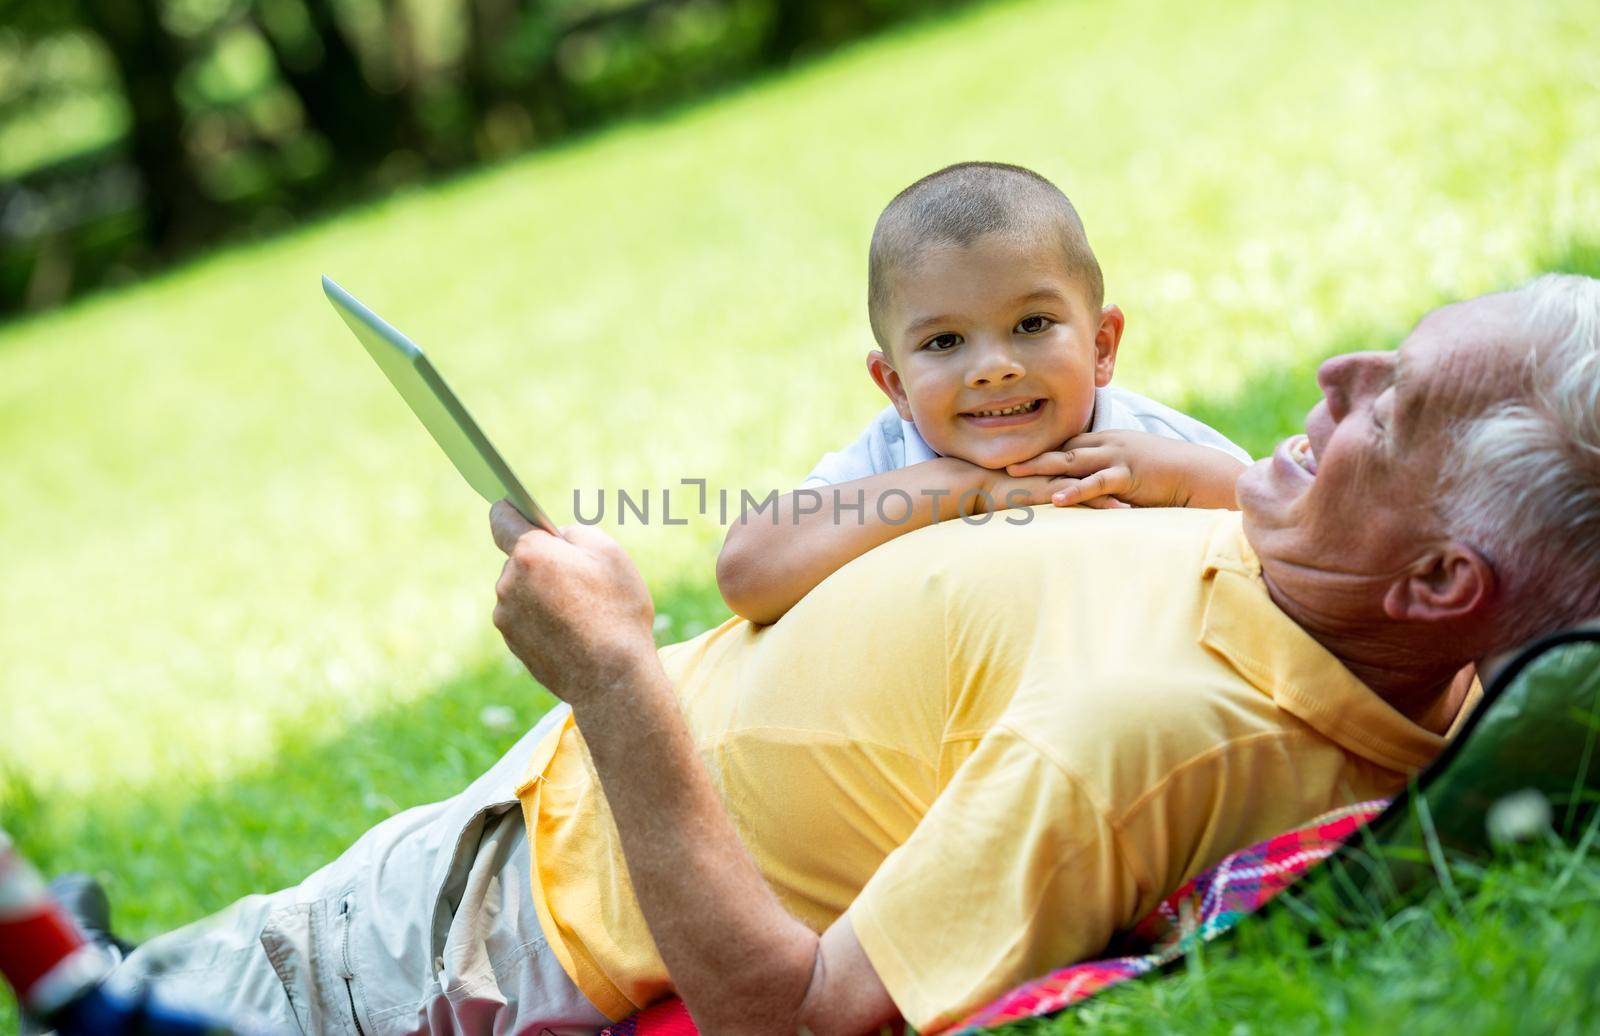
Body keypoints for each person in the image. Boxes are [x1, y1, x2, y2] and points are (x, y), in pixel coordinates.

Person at [76, 276, 1600, 1036]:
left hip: (518, 929)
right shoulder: (1305, 568)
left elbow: (798, 1014)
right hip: (540, 817)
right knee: (162, 975)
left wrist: (609, 678)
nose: (1338, 375)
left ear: (1441, 577)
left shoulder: (1155, 739)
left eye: (1387, 412)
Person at [718, 162, 1252, 624]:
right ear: (897, 387)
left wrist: (1180, 479)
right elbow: (747, 573)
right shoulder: (888, 460)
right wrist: (960, 487)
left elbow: (1287, 523)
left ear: (1101, 347)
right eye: (944, 341)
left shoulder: (1147, 447)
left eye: (1032, 324)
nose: (993, 370)